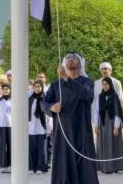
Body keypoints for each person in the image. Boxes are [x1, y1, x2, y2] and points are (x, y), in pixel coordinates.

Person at [42, 52, 99, 184]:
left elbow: (87, 95)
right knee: (63, 165)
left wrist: (67, 80)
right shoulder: (56, 84)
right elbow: (44, 102)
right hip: (62, 134)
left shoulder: (88, 82)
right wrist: (51, 108)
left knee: (84, 168)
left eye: (74, 58)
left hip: (81, 132)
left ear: (80, 63)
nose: (70, 60)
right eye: (68, 58)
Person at [93, 77, 123, 174]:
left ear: (110, 85)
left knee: (113, 144)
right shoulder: (100, 96)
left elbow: (117, 112)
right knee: (103, 144)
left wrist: (116, 126)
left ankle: (114, 167)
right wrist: (96, 125)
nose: (104, 86)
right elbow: (96, 110)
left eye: (106, 84)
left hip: (112, 122)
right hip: (102, 122)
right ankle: (104, 167)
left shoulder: (114, 96)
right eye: (103, 84)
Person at [28, 80, 52, 174]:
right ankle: (31, 167)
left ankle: (41, 167)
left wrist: (49, 129)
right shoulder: (30, 99)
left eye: (39, 87)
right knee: (32, 148)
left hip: (42, 128)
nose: (37, 88)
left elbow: (49, 115)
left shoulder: (45, 99)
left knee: (41, 149)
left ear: (42, 88)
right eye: (35, 87)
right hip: (31, 128)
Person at [0, 82, 12, 174]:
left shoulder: (14, 100)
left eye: (7, 89)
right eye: (4, 89)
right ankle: (4, 166)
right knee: (3, 147)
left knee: (12, 146)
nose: (5, 90)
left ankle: (12, 165)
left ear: (10, 90)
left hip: (12, 127)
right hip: (2, 127)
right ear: (2, 91)